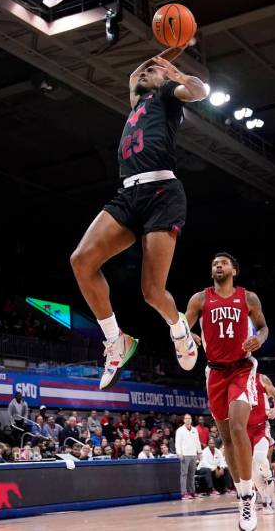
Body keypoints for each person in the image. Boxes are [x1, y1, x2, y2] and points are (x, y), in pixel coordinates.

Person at [70, 47, 209, 389]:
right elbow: (134, 76)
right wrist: (166, 47)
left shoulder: (167, 96)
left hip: (162, 192)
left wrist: (176, 72)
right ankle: (116, 340)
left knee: (151, 292)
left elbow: (200, 92)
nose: (146, 73)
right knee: (81, 261)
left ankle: (180, 332)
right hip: (129, 194)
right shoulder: (138, 101)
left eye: (153, 71)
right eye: (146, 71)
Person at [185, 251, 268, 531]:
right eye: (213, 264)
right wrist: (190, 335)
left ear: (234, 269)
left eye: (222, 263)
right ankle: (242, 491)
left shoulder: (248, 297)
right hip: (215, 372)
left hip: (242, 368)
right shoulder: (199, 299)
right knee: (227, 439)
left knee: (237, 426)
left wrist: (258, 338)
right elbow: (183, 326)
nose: (217, 265)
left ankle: (248, 496)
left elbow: (264, 327)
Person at [247, 373, 275, 514]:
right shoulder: (234, 378)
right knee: (252, 470)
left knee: (260, 458)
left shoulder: (261, 378)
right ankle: (265, 500)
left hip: (261, 426)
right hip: (244, 430)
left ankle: (268, 475)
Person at [175, 413, 202, 500]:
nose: (188, 420)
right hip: (185, 455)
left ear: (191, 420)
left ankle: (192, 492)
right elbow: (177, 443)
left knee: (192, 474)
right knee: (184, 474)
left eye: (189, 418)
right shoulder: (180, 430)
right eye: (186, 418)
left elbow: (197, 441)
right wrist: (179, 453)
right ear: (184, 420)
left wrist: (199, 452)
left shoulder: (194, 429)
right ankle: (184, 493)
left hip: (193, 454)